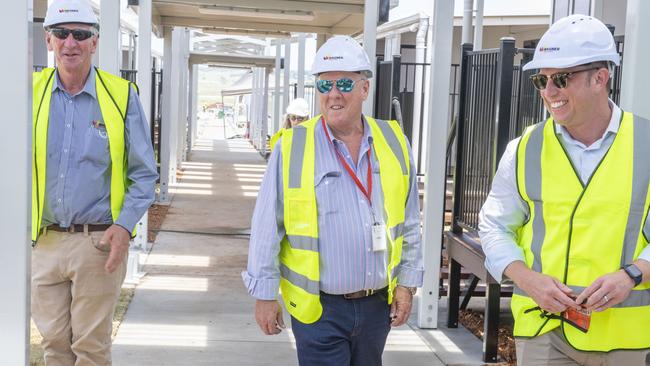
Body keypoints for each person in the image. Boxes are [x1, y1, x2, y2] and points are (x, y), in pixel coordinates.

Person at [479, 14, 650, 365]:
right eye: (541, 80)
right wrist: (527, 280)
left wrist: (633, 274)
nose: (548, 92)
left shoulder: (647, 144)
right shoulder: (525, 148)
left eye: (560, 79)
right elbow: (494, 225)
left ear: (600, 78)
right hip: (544, 330)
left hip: (624, 336)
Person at [242, 35, 423, 366]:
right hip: (319, 310)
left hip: (376, 307)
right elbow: (267, 224)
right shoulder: (292, 146)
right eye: (324, 85)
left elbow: (409, 220)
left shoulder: (394, 141)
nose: (333, 94)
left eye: (343, 83)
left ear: (364, 89)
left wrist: (407, 285)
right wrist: (264, 295)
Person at [31, 0, 158, 364]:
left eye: (81, 34)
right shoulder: (29, 93)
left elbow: (144, 173)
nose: (70, 42)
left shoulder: (121, 97)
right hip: (44, 242)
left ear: (94, 42)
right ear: (49, 40)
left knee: (90, 348)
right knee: (53, 345)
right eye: (61, 33)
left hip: (98, 242)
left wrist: (123, 225)